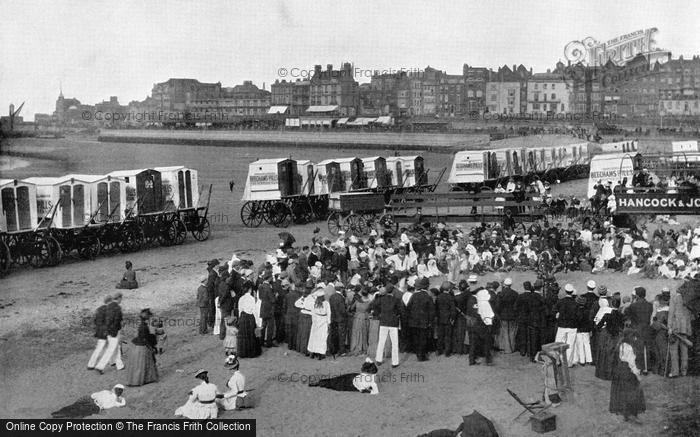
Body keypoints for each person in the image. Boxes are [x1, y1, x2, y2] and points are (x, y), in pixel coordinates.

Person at [609, 329, 646, 424]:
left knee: (621, 393)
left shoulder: (620, 345)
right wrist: (638, 375)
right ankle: (632, 413)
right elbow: (632, 364)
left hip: (619, 372)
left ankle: (624, 413)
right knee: (632, 393)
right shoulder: (629, 348)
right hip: (628, 373)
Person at [126, 308, 159, 386]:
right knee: (146, 363)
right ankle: (146, 379)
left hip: (137, 345)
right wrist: (152, 347)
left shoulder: (142, 325)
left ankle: (137, 380)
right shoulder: (145, 326)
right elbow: (146, 338)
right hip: (143, 346)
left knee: (139, 364)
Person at [371, 285, 402, 367]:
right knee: (395, 343)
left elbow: (373, 305)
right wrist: (397, 315)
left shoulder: (381, 299)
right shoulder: (396, 300)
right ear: (393, 291)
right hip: (393, 322)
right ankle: (395, 362)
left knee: (381, 341)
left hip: (384, 321)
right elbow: (401, 310)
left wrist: (378, 313)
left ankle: (378, 359)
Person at [308, 358, 379, 394]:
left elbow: (374, 391)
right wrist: (368, 391)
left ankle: (319, 383)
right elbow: (375, 391)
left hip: (352, 381)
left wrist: (367, 391)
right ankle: (319, 383)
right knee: (335, 382)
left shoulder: (371, 381)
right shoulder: (371, 380)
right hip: (352, 380)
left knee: (335, 382)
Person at [51, 384, 125, 418]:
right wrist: (120, 398)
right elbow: (122, 404)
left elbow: (93, 395)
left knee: (76, 406)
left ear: (113, 389)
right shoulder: (115, 402)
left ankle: (60, 412)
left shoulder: (105, 392)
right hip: (96, 407)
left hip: (90, 400)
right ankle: (62, 415)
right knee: (79, 412)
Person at [594, 297, 624, 380]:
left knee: (606, 354)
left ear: (611, 304)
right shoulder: (622, 315)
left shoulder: (607, 315)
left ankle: (605, 374)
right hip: (618, 337)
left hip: (608, 336)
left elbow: (598, 326)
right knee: (616, 355)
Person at [95, 292, 124, 374]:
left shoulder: (107, 307)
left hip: (107, 330)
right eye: (121, 298)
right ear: (118, 298)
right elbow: (117, 320)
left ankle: (114, 363)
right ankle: (118, 365)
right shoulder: (117, 307)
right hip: (114, 330)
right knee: (116, 348)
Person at [407, 278, 435, 361]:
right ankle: (422, 356)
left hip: (413, 321)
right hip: (424, 321)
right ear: (427, 287)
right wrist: (430, 321)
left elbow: (408, 307)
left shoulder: (414, 295)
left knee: (416, 338)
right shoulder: (428, 296)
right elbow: (432, 311)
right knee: (423, 338)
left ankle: (418, 353)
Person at [668, 284, 693, 377]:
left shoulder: (674, 298)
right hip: (685, 328)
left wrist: (669, 327)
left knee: (674, 351)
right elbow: (690, 316)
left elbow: (671, 313)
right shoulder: (688, 300)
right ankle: (684, 371)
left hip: (675, 327)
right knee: (684, 351)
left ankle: (675, 372)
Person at [553, 284, 579, 366]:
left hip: (562, 325)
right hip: (572, 326)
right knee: (570, 344)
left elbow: (554, 311)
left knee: (559, 343)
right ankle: (568, 362)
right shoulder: (575, 303)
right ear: (572, 292)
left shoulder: (560, 301)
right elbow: (578, 315)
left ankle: (558, 360)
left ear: (565, 291)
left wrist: (558, 315)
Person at [87, 295, 111, 370]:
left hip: (99, 331)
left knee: (104, 347)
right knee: (101, 347)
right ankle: (91, 364)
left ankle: (92, 364)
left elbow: (95, 321)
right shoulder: (108, 310)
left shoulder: (99, 309)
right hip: (105, 331)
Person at [237, 286, 262, 358]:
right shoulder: (251, 299)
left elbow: (240, 310)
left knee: (243, 336)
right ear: (250, 290)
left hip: (242, 317)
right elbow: (254, 311)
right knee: (251, 335)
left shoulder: (241, 298)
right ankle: (251, 352)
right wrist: (257, 321)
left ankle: (243, 352)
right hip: (250, 318)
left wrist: (240, 319)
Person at [495, 278, 518, 354]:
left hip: (503, 315)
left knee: (505, 332)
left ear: (504, 284)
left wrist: (498, 313)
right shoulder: (515, 293)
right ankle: (512, 347)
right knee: (512, 332)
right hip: (513, 315)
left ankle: (507, 349)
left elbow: (498, 306)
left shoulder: (500, 294)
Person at [307, 286, 331, 359]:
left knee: (314, 337)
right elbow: (329, 313)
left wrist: (313, 321)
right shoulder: (326, 303)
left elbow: (313, 313)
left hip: (316, 320)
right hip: (323, 320)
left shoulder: (315, 303)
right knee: (322, 337)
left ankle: (313, 352)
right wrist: (329, 322)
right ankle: (320, 353)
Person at [435, 282, 456, 357]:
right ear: (449, 289)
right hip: (448, 319)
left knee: (440, 336)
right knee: (448, 336)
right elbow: (453, 310)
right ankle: (447, 352)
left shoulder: (438, 297)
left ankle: (439, 350)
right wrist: (452, 318)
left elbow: (436, 308)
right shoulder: (450, 298)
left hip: (440, 318)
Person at [327, 283, 348, 356]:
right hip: (341, 319)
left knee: (334, 335)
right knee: (341, 335)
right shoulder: (341, 297)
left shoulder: (332, 297)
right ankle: (342, 351)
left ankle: (333, 350)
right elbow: (342, 310)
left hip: (333, 318)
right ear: (341, 289)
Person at [349, 289, 371, 356]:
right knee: (364, 333)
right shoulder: (369, 302)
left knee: (356, 332)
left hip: (357, 317)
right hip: (364, 317)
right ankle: (363, 348)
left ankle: (356, 346)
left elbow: (351, 308)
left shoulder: (357, 301)